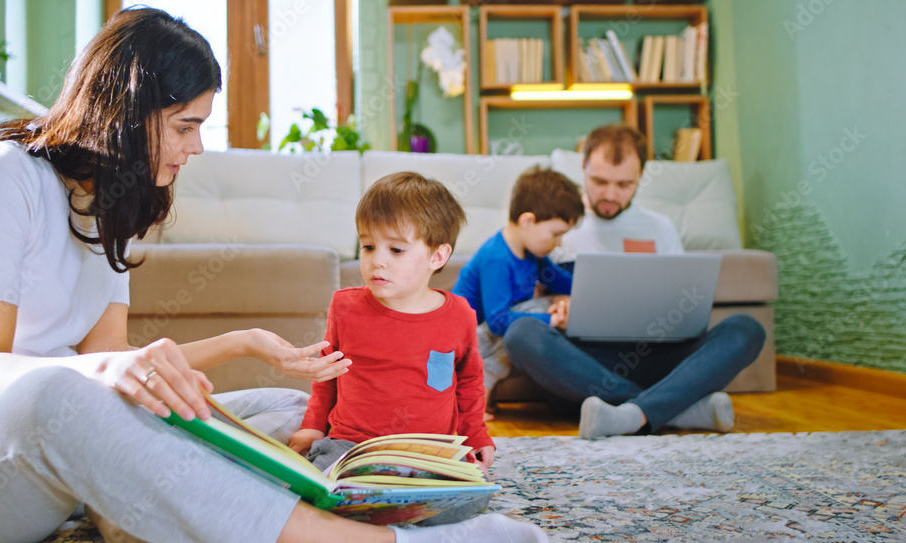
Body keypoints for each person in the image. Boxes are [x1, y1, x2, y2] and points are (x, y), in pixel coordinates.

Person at [0, 8, 550, 543]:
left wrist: (245, 342)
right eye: (185, 125)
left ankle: (136, 517)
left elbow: (127, 375)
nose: (199, 147)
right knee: (58, 393)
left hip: (64, 459)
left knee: (290, 415)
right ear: (126, 112)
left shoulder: (108, 207)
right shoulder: (3, 178)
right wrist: (108, 372)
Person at [503, 124, 767, 440]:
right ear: (583, 167)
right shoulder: (557, 226)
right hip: (584, 363)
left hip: (658, 356)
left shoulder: (660, 228)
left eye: (624, 184)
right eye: (600, 181)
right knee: (520, 333)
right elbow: (520, 300)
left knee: (746, 330)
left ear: (642, 175)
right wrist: (551, 303)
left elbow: (685, 306)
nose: (610, 194)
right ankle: (675, 409)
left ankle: (626, 412)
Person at [288, 172, 495, 477]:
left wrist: (475, 433)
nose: (377, 261)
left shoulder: (459, 314)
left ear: (437, 256)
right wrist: (312, 427)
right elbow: (325, 377)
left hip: (430, 450)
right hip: (351, 447)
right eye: (368, 247)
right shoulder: (345, 307)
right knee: (318, 487)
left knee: (466, 499)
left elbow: (468, 382)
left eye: (396, 250)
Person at [451, 166, 584, 419]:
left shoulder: (533, 253)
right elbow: (498, 321)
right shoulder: (497, 257)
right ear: (528, 221)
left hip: (490, 334)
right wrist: (551, 319)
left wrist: (587, 290)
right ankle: (477, 392)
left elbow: (563, 281)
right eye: (556, 234)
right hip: (467, 340)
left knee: (545, 304)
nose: (559, 243)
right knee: (540, 309)